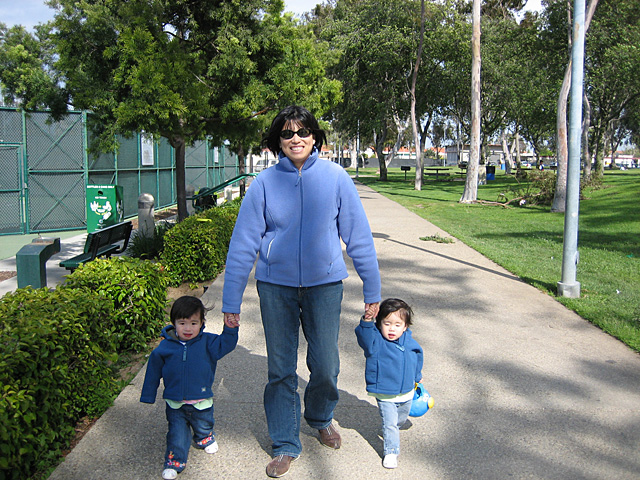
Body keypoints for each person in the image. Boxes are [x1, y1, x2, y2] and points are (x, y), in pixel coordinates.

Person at [222, 105, 381, 478]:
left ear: (315, 137)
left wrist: (372, 289)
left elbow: (358, 237)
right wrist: (230, 301)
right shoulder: (264, 184)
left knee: (326, 364)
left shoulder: (336, 178)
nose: (296, 139)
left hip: (324, 285)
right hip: (275, 286)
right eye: (287, 134)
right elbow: (243, 244)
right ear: (278, 141)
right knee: (280, 369)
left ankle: (320, 415)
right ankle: (284, 443)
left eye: (303, 132)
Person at [140, 296, 238, 480]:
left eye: (194, 323)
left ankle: (204, 437)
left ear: (202, 323)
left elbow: (226, 344)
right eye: (182, 323)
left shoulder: (208, 343)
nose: (187, 328)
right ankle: (174, 462)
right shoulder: (164, 348)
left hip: (201, 400)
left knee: (203, 423)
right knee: (176, 434)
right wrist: (148, 395)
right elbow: (152, 372)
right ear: (174, 323)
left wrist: (230, 329)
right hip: (175, 402)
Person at [355, 298, 423, 469]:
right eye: (387, 323)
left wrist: (417, 375)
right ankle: (391, 451)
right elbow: (364, 336)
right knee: (390, 423)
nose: (392, 328)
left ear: (405, 326)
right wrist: (367, 320)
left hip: (406, 391)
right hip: (385, 392)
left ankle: (391, 432)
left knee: (401, 417)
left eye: (397, 324)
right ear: (380, 324)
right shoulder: (375, 342)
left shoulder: (409, 341)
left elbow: (417, 356)